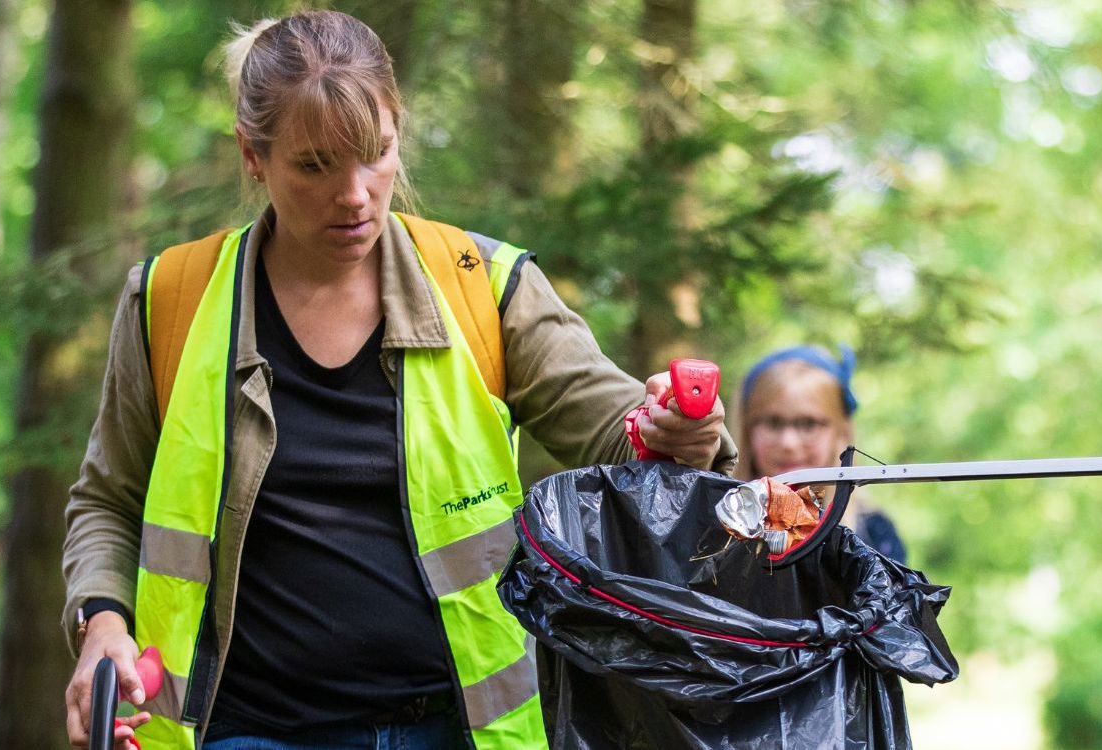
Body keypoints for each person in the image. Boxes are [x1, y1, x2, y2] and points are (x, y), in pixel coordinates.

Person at [58, 11, 731, 750]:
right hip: (243, 730)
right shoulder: (170, 300)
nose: (354, 194)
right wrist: (103, 626)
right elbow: (107, 499)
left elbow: (621, 437)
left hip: (456, 731)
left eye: (375, 155)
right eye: (316, 165)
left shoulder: (485, 286)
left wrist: (678, 429)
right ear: (253, 155)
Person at [734, 345, 907, 563]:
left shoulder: (875, 536)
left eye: (808, 424)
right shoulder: (717, 526)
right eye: (773, 423)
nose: (788, 443)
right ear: (747, 428)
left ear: (841, 432)